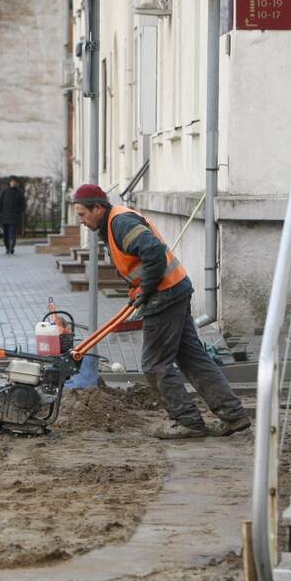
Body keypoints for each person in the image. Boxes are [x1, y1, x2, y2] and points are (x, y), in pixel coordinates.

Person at [72, 183, 251, 439]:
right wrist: (140, 289)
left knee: (155, 364)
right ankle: (234, 415)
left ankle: (188, 421)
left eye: (82, 214)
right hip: (173, 290)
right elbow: (141, 258)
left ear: (98, 208)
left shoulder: (120, 223)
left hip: (164, 296)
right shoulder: (111, 223)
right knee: (193, 359)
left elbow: (153, 250)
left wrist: (146, 288)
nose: (80, 220)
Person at [0, 176, 26, 255]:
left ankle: (11, 246)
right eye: (11, 181)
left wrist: (18, 212)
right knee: (6, 234)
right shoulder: (4, 191)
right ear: (9, 182)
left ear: (16, 183)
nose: (13, 183)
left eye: (14, 181)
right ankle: (7, 247)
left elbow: (23, 205)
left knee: (12, 232)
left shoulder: (19, 192)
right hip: (4, 217)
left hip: (14, 217)